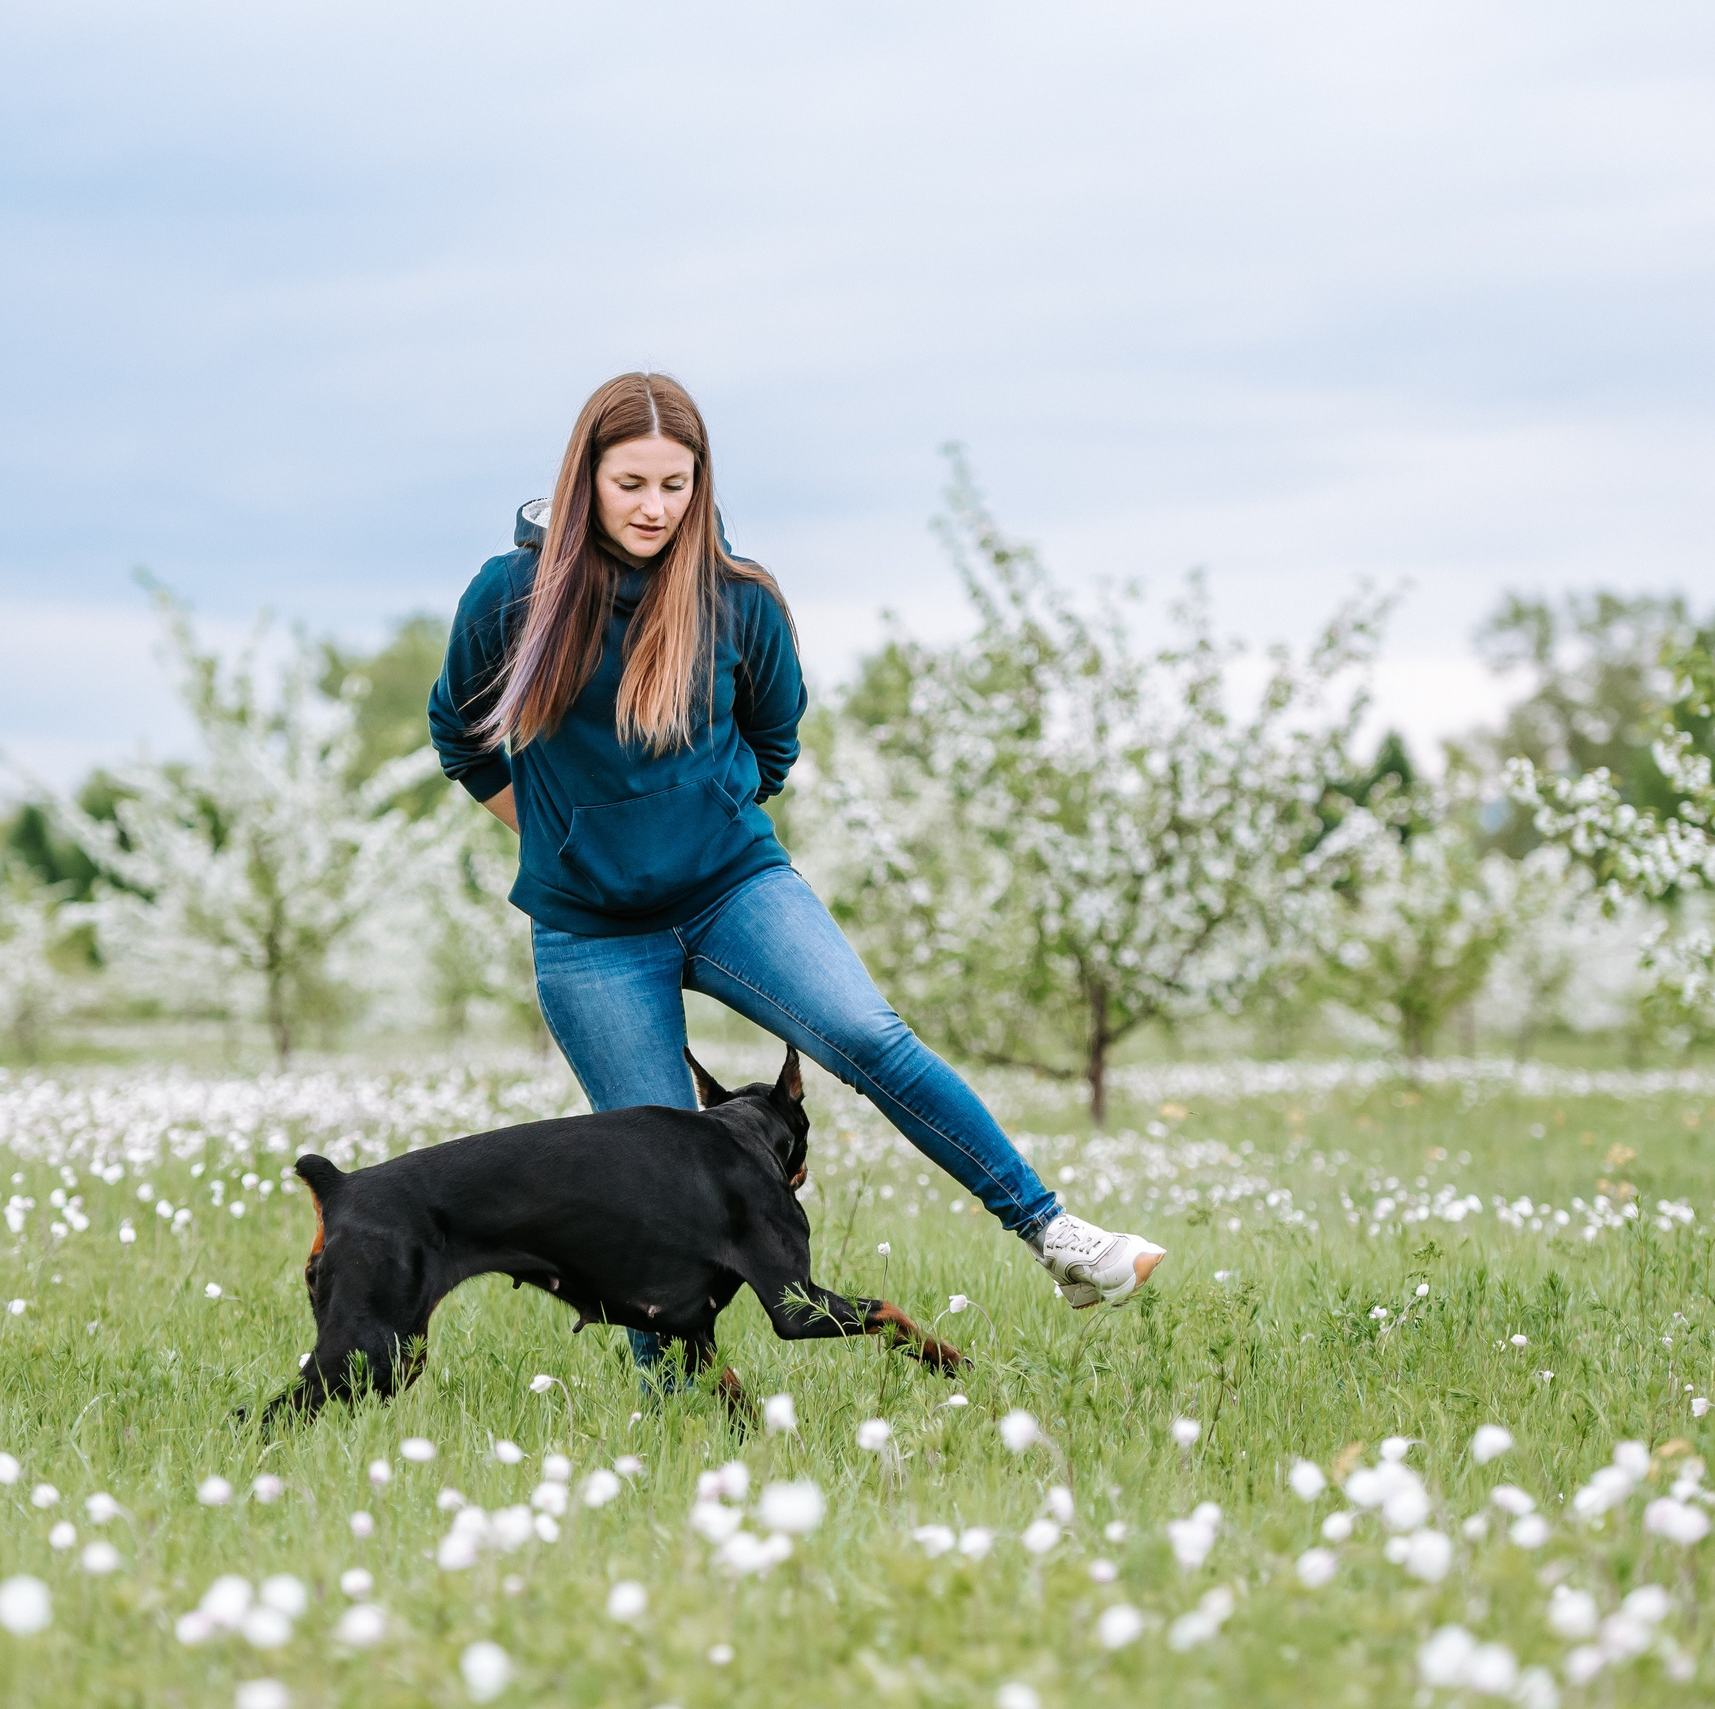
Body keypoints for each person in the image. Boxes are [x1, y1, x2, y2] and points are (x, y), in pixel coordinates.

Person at [428, 371, 1164, 1371]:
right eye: (630, 482)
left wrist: (702, 823)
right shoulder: (510, 597)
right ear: (584, 478)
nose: (653, 508)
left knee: (868, 1032)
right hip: (591, 933)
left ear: (701, 485)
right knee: (649, 1184)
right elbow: (461, 739)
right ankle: (678, 1407)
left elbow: (774, 745)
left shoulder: (738, 600)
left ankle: (1055, 1234)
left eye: (674, 486)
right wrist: (560, 838)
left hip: (731, 888)